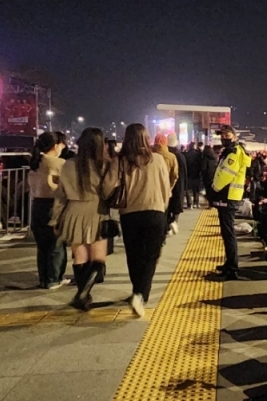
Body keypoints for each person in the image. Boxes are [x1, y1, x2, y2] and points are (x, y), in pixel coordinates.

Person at [53, 127, 118, 310]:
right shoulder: (103, 165)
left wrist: (55, 219)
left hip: (73, 212)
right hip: (97, 211)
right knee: (99, 258)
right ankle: (84, 293)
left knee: (80, 257)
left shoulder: (68, 164)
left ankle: (82, 294)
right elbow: (108, 191)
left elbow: (60, 195)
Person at [117, 124, 171, 317]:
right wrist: (163, 207)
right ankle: (140, 295)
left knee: (134, 255)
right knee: (150, 257)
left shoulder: (121, 160)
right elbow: (166, 188)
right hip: (155, 212)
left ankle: (137, 291)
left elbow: (110, 187)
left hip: (129, 213)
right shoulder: (158, 159)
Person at [209, 125, 251, 281]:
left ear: (234, 136)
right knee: (226, 233)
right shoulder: (231, 151)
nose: (223, 138)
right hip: (228, 195)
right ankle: (229, 264)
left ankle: (232, 269)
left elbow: (226, 175)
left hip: (228, 195)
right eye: (222, 136)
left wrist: (214, 188)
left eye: (226, 135)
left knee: (228, 233)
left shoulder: (233, 152)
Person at [28, 131, 68, 289]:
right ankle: (54, 279)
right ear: (55, 146)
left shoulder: (35, 162)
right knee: (55, 244)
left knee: (42, 245)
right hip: (53, 205)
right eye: (61, 145)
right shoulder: (58, 163)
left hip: (37, 205)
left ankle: (44, 279)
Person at [152, 133, 180, 236]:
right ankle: (164, 230)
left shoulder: (150, 155)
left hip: (152, 189)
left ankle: (157, 232)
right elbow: (175, 175)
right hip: (166, 189)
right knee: (165, 210)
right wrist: (169, 187)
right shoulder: (171, 157)